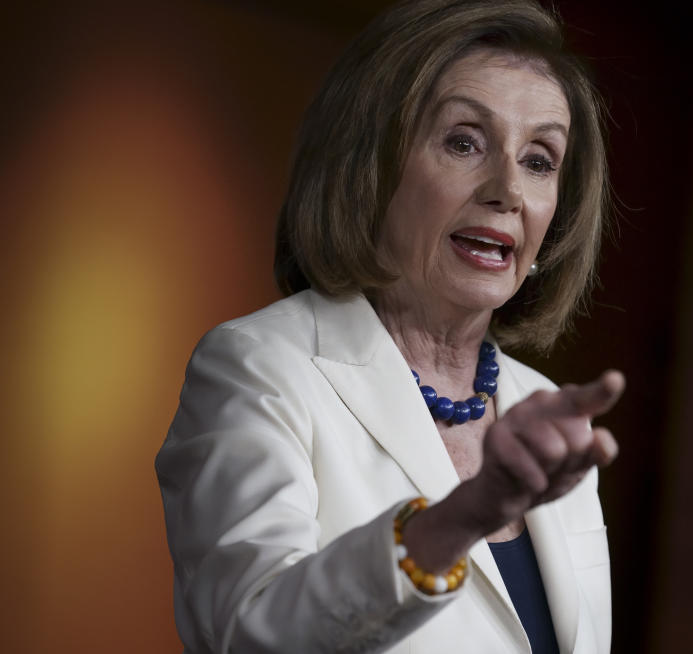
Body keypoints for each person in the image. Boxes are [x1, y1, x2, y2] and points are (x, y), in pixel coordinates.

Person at [156, 0, 624, 652]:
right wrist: (467, 515)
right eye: (464, 142)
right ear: (370, 166)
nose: (508, 189)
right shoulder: (259, 369)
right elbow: (250, 633)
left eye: (540, 160)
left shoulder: (545, 417)